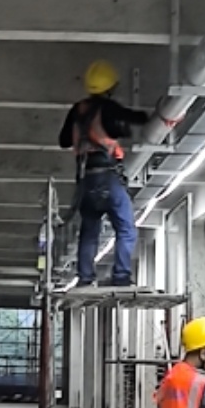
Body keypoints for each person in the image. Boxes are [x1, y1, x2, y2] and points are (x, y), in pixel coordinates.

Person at [58, 60, 150, 286]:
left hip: (85, 181)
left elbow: (64, 140)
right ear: (111, 86)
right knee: (126, 229)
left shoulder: (77, 110)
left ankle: (85, 278)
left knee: (89, 231)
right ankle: (121, 276)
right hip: (108, 177)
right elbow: (131, 122)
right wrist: (148, 117)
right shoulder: (108, 108)